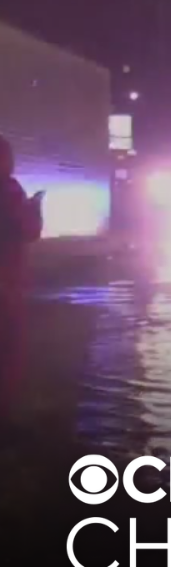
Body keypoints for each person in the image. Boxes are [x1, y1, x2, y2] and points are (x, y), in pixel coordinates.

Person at [0, 134, 43, 424]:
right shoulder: (10, 191)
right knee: (9, 350)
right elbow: (29, 230)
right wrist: (35, 205)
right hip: (7, 283)